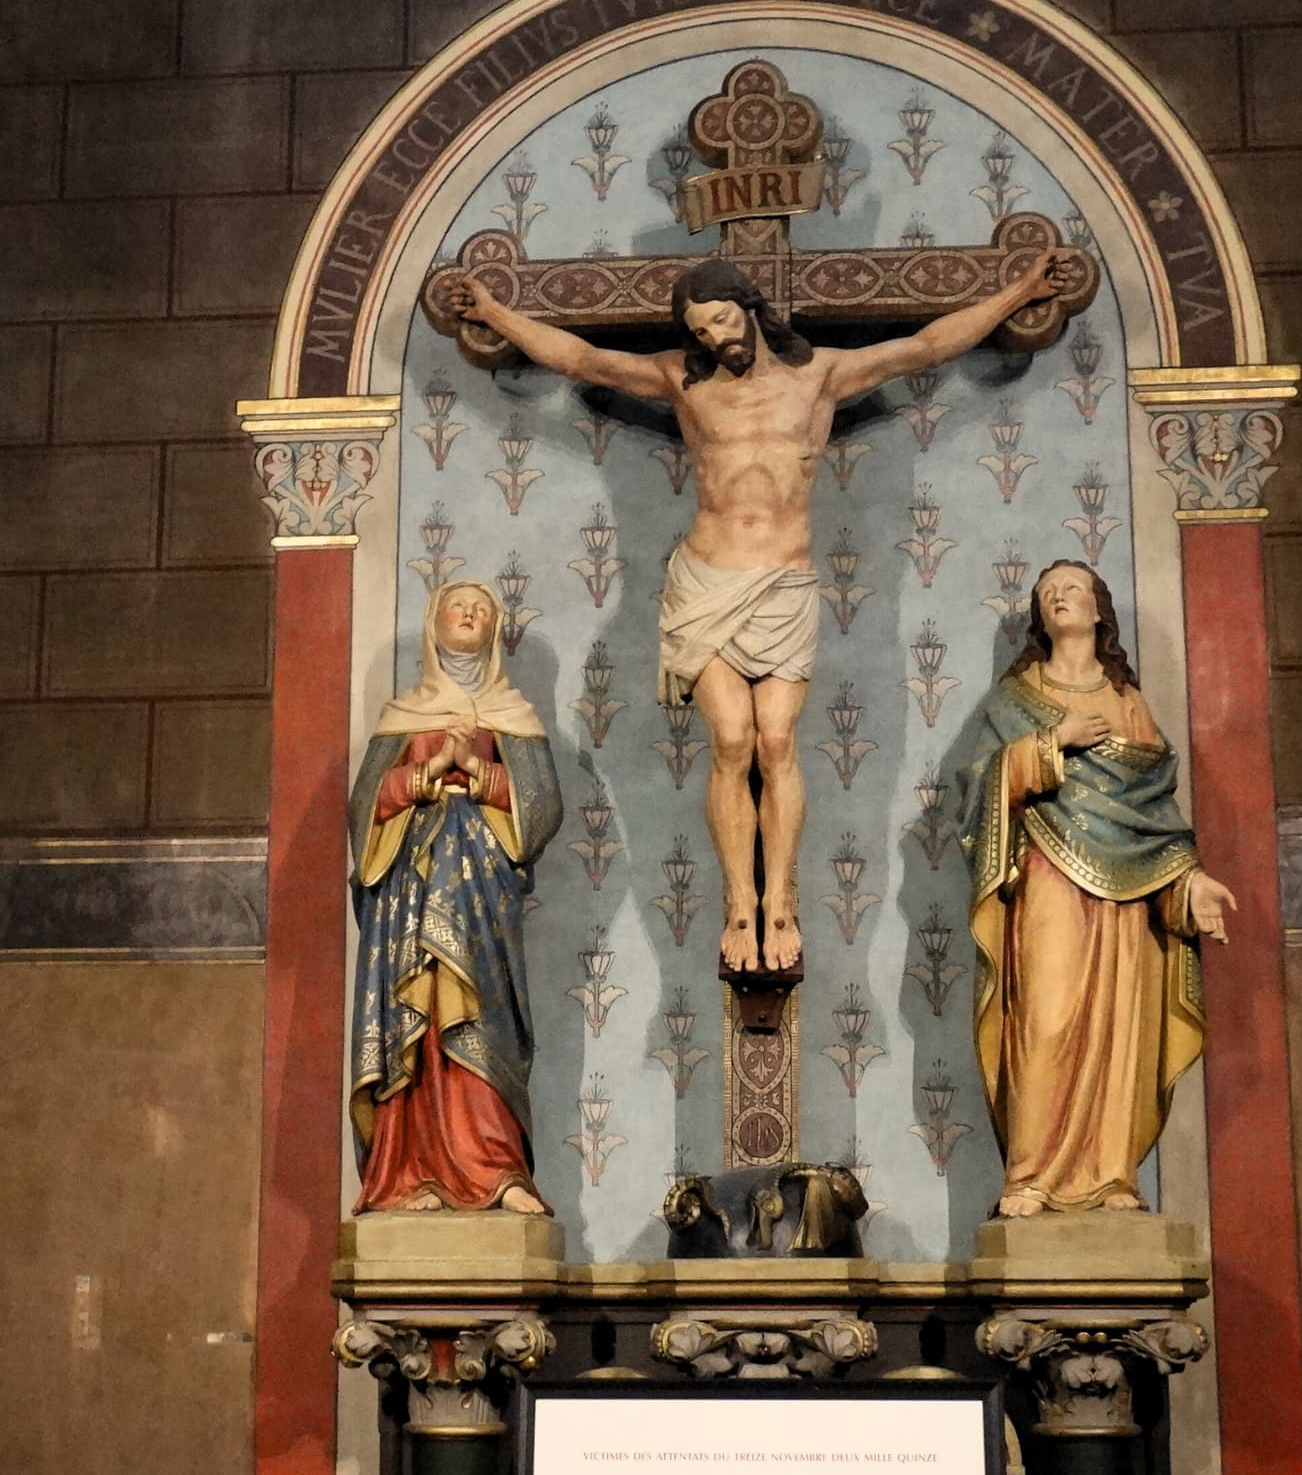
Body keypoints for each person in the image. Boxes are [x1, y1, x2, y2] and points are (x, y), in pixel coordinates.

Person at [449, 251, 1064, 973]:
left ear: (746, 305)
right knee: (733, 739)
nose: (712, 339)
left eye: (717, 320)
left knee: (777, 742)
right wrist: (492, 312)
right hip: (706, 580)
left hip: (783, 585)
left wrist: (1017, 291)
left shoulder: (820, 375)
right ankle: (742, 904)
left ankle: (782, 903)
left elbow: (926, 347)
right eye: (698, 331)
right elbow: (586, 360)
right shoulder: (684, 382)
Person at [956, 560, 1236, 1218]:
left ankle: (1113, 1176)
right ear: (1038, 615)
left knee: (1119, 1031)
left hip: (1126, 898)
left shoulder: (1126, 702)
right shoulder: (1013, 699)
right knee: (1046, 1022)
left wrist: (1188, 881)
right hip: (1048, 879)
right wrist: (1052, 742)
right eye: (1047, 591)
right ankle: (1027, 1176)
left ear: (1097, 610)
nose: (1059, 595)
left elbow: (1150, 814)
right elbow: (976, 791)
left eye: (1072, 587)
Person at [348, 581, 563, 1214]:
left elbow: (543, 809)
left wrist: (474, 770)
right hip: (406, 897)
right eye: (457, 607)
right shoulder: (401, 714)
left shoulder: (514, 715)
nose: (468, 616)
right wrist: (429, 770)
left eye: (481, 611)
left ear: (495, 630)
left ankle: (498, 1173)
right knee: (415, 1027)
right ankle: (414, 1176)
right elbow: (363, 811)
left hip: (480, 896)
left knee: (478, 1017)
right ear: (433, 622)